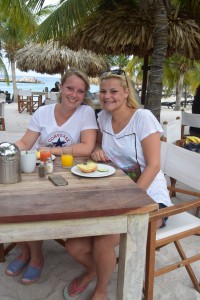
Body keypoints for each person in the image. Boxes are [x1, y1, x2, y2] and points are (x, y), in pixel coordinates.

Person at [63, 70, 172, 300]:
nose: (107, 96)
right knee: (74, 244)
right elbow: (98, 145)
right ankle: (93, 269)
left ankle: (101, 290)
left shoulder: (143, 118)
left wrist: (130, 200)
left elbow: (153, 166)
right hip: (113, 191)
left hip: (149, 197)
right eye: (103, 91)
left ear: (125, 93)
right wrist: (97, 150)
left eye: (113, 91)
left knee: (103, 242)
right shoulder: (102, 117)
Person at [5, 69, 98, 284]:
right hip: (41, 170)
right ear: (60, 87)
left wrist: (49, 151)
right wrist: (8, 149)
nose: (74, 94)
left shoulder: (85, 113)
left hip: (71, 175)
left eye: (80, 91)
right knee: (21, 201)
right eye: (70, 88)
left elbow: (86, 148)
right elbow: (26, 143)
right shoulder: (43, 112)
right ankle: (27, 253)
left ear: (85, 95)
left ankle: (36, 258)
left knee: (36, 206)